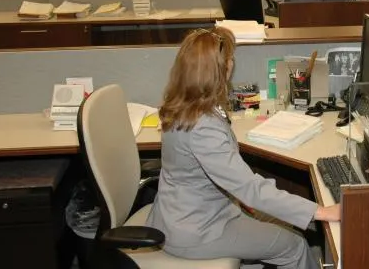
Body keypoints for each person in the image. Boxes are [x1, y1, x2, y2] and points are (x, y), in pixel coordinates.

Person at [146, 27, 340, 268]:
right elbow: (250, 189)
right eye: (228, 59)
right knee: (294, 246)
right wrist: (321, 212)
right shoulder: (203, 126)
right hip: (198, 229)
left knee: (284, 224)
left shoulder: (182, 104)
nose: (232, 62)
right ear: (219, 71)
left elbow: (233, 177)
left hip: (186, 212)